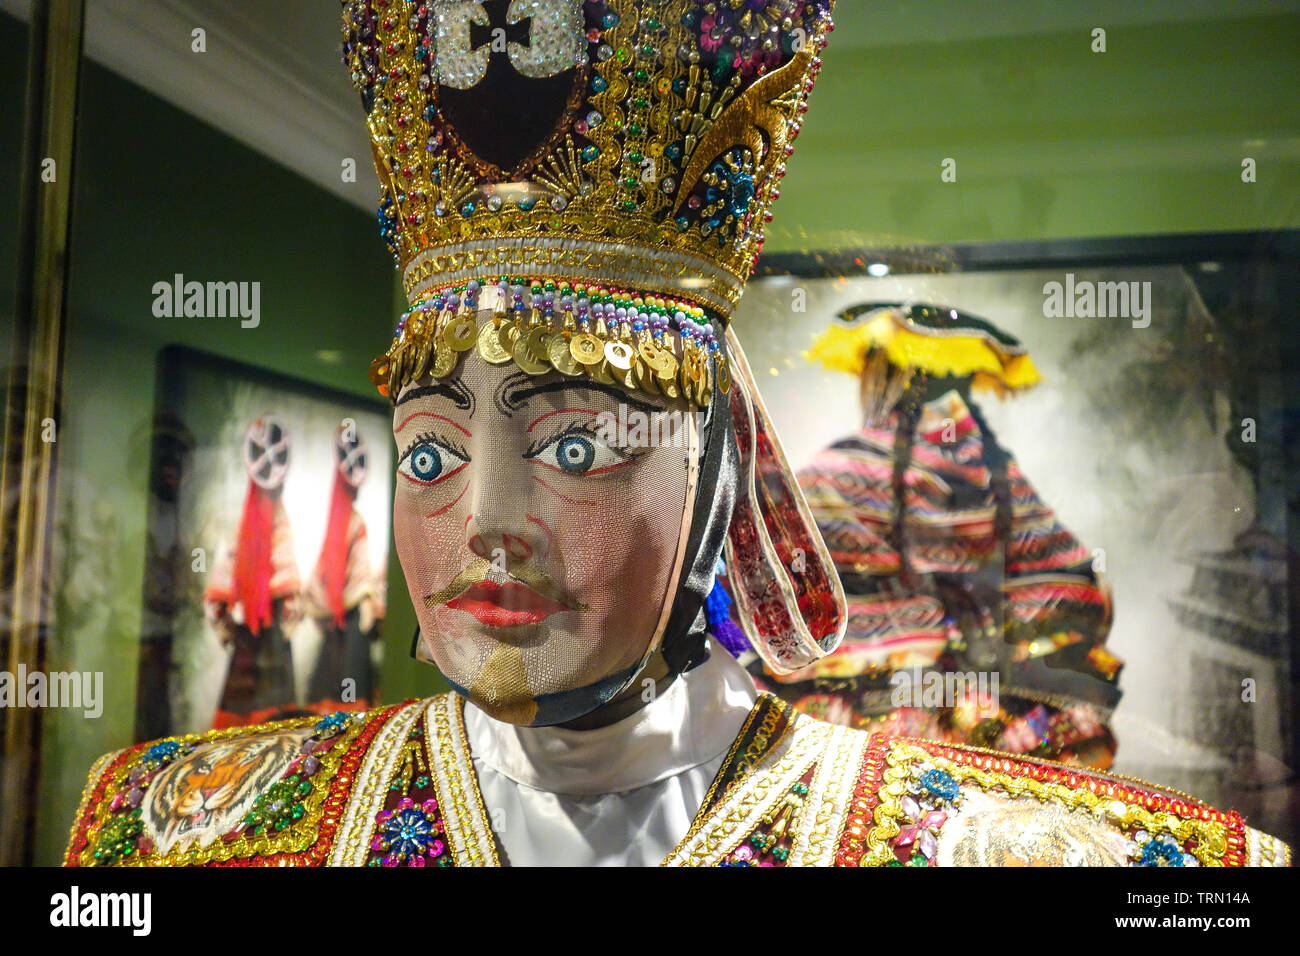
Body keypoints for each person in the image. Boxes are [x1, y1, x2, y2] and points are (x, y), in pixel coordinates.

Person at [64, 0, 1287, 868]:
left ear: (722, 469)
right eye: (430, 451)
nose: (484, 517)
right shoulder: (177, 832)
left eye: (579, 445)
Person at [745, 303, 1122, 769]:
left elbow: (768, 571)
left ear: (888, 379)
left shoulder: (841, 469)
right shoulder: (998, 474)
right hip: (993, 719)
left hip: (857, 717)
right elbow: (1078, 584)